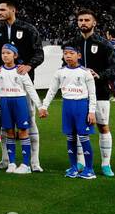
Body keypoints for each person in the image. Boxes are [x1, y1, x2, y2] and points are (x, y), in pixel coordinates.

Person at [0, 0, 45, 171]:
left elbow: (39, 53)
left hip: (23, 84)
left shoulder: (28, 29)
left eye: (2, 10)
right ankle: (6, 160)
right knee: (5, 124)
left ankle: (34, 162)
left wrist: (29, 65)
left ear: (13, 10)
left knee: (30, 123)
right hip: (3, 85)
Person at [38, 43, 98, 179]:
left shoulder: (85, 72)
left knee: (83, 138)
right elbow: (52, 90)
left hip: (82, 107)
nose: (68, 56)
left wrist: (92, 111)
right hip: (67, 107)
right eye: (65, 53)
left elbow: (92, 94)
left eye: (71, 53)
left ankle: (89, 169)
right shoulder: (60, 72)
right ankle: (73, 167)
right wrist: (44, 106)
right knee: (70, 138)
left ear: (79, 55)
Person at [0, 43, 38, 174]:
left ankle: (25, 164)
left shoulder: (21, 70)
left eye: (8, 53)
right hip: (5, 102)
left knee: (23, 131)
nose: (5, 56)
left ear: (15, 55)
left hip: (20, 101)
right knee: (9, 132)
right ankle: (11, 163)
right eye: (3, 53)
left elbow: (30, 89)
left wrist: (41, 107)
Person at [73, 9, 115, 177]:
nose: (83, 23)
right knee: (79, 128)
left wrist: (100, 75)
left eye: (86, 20)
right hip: (78, 93)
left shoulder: (104, 44)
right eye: (80, 20)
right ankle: (80, 162)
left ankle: (106, 164)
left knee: (103, 126)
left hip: (100, 92)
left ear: (94, 23)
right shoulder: (72, 43)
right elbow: (64, 64)